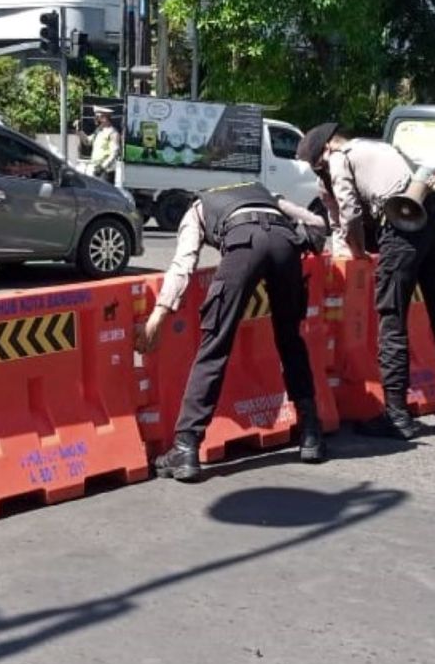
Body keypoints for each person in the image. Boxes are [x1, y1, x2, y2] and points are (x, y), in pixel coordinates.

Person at [135, 182, 330, 481]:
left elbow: (183, 265)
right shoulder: (265, 192)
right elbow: (317, 224)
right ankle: (311, 433)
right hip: (285, 244)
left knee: (215, 346)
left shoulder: (198, 208)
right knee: (291, 341)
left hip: (244, 246)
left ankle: (186, 446)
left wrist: (157, 317)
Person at [296, 123, 435, 438]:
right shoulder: (382, 147)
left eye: (317, 166)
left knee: (392, 322)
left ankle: (397, 415)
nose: (320, 173)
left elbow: (349, 213)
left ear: (327, 148)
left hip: (402, 225)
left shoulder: (340, 157)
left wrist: (358, 251)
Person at [78, 106, 122, 183]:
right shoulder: (98, 131)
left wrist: (102, 167)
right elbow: (87, 142)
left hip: (105, 172)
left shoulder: (112, 133)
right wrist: (79, 131)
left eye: (97, 116)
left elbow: (114, 153)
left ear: (104, 118)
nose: (95, 119)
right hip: (96, 169)